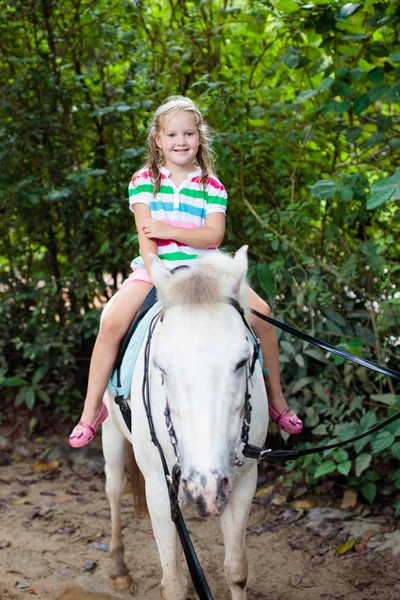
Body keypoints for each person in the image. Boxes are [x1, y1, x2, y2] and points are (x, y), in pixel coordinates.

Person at [69, 95, 302, 448]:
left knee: (264, 315)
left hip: (206, 269)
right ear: (158, 140)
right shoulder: (144, 180)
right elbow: (146, 238)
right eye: (173, 135)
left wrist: (170, 230)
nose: (181, 142)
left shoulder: (212, 185)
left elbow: (214, 235)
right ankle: (92, 409)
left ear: (199, 138)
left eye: (189, 134)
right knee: (112, 321)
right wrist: (158, 273)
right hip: (155, 269)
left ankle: (276, 399)